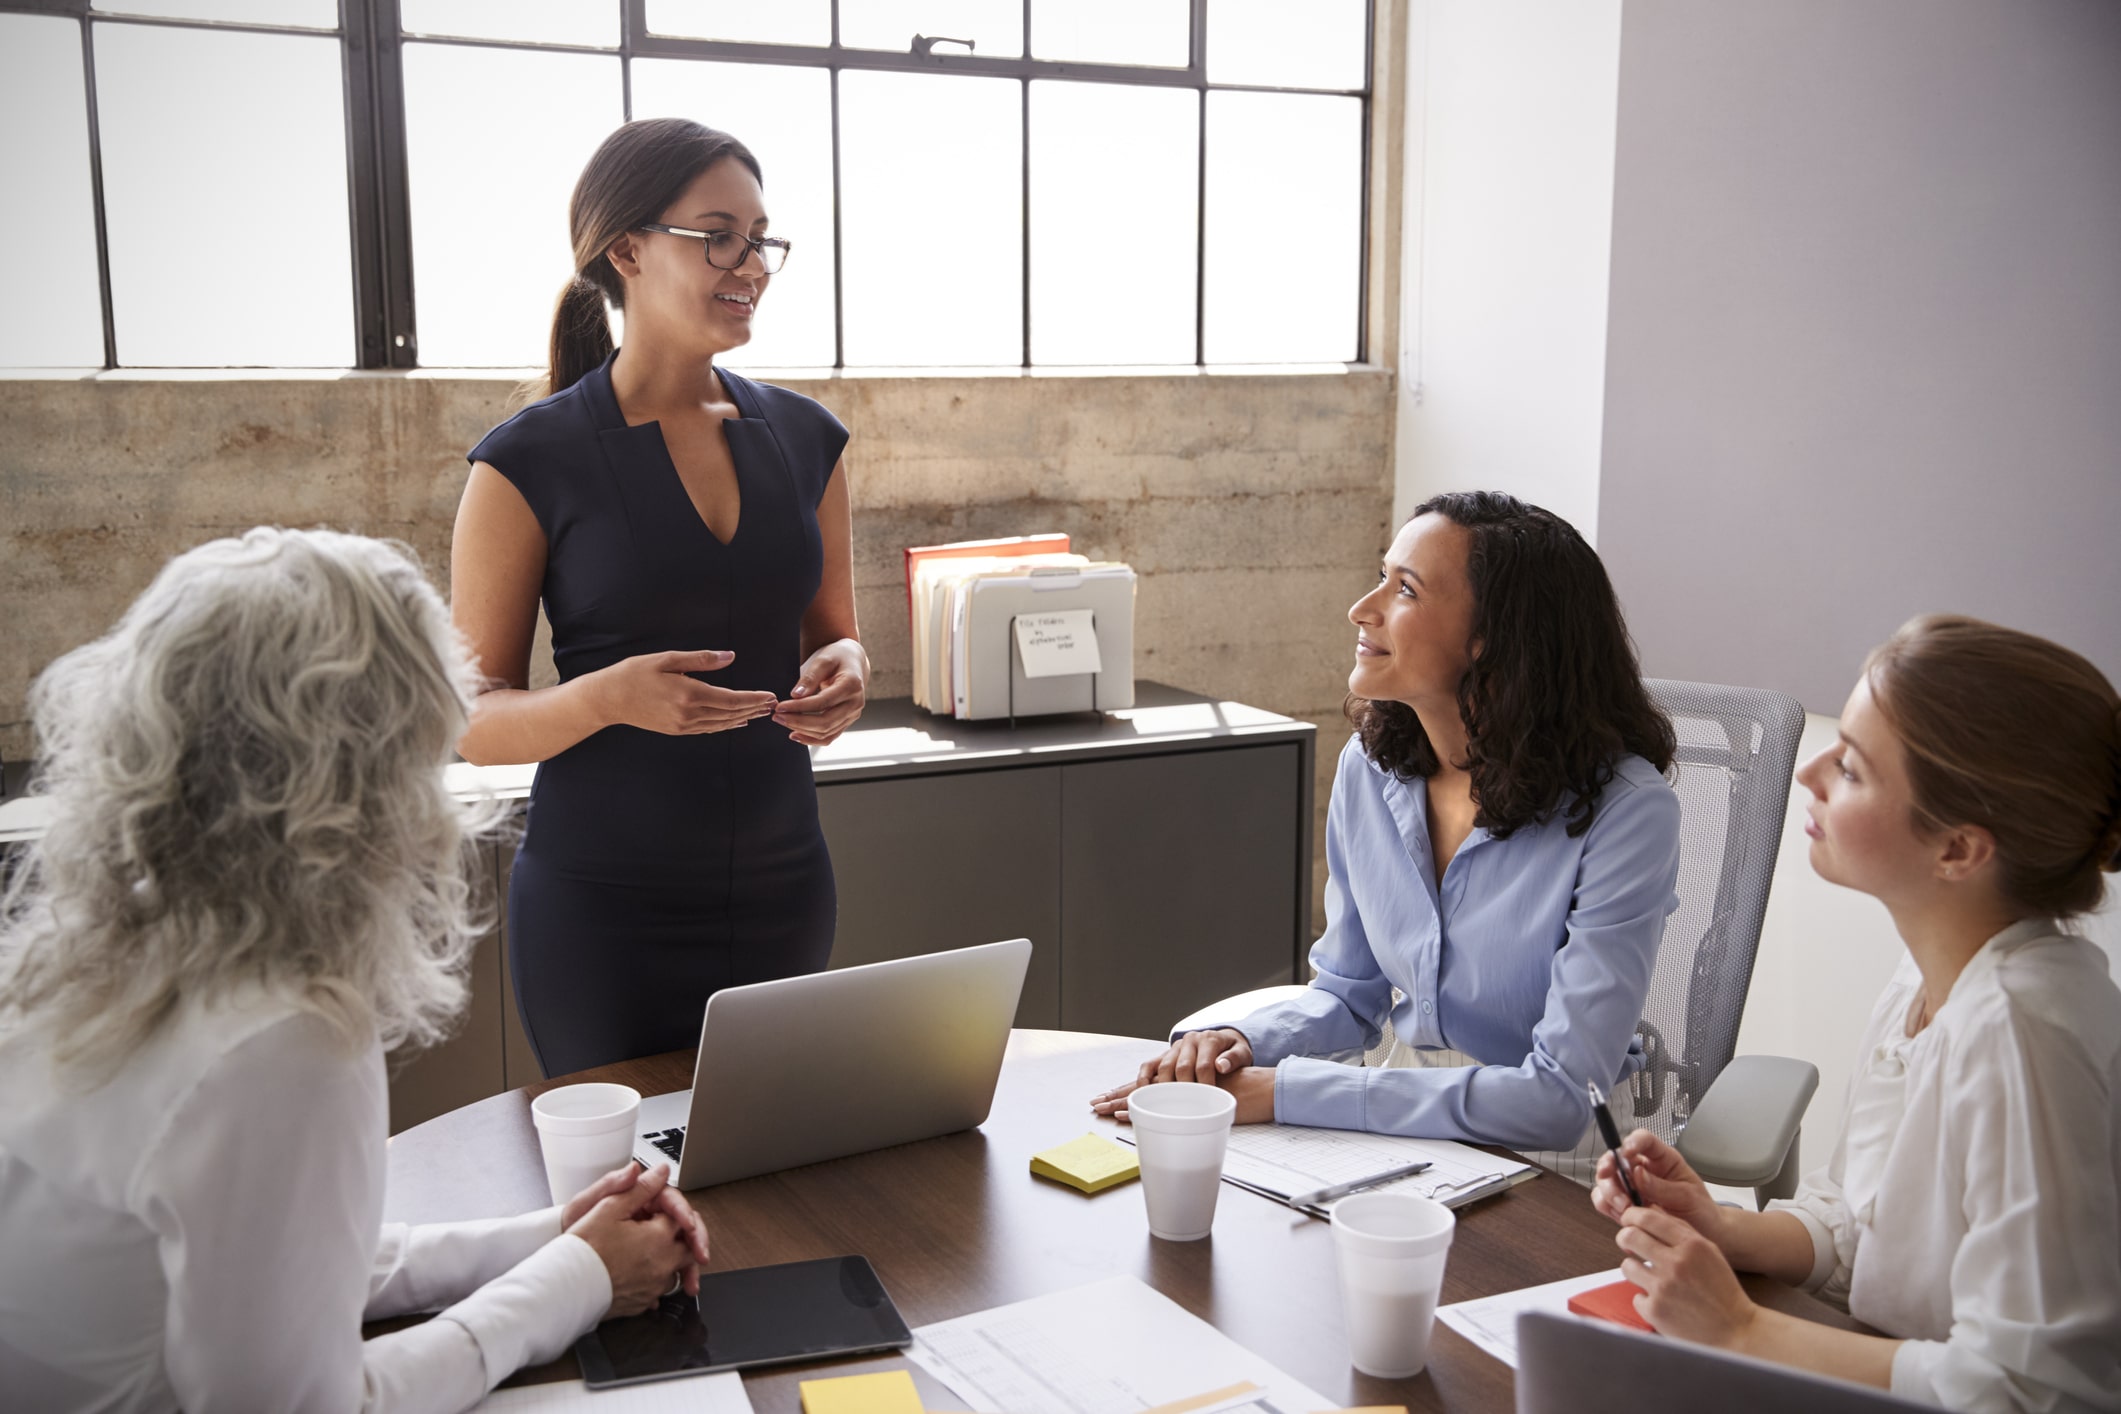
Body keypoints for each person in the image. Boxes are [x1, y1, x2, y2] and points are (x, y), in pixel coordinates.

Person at [0, 528, 712, 1413]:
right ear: (361, 785)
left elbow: (265, 1260)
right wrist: (577, 1281)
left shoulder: (97, 953)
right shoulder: (281, 1042)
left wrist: (550, 1239)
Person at [1589, 615, 2121, 1410]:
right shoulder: (1932, 968)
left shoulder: (2019, 1038)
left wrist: (1739, 1329)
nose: (1810, 775)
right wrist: (1720, 1227)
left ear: (1957, 850)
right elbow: (1860, 1221)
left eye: (1855, 769)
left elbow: (2029, 1389)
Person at [1094, 490, 1683, 1174]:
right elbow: (1349, 995)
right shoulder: (1370, 769)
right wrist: (1240, 1042)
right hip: (1391, 1120)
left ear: (1491, 637)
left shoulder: (1624, 813)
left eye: (1403, 589)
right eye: (1381, 576)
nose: (1362, 609)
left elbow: (1555, 1098)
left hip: (1559, 1160)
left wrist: (1287, 1091)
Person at [452, 118, 867, 1076]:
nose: (750, 262)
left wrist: (846, 670)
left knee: (778, 1187)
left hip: (783, 887)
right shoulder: (525, 462)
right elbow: (473, 722)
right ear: (626, 249)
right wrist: (604, 698)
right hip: (599, 911)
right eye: (718, 234)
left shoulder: (810, 441)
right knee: (629, 1199)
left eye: (762, 238)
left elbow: (838, 637)